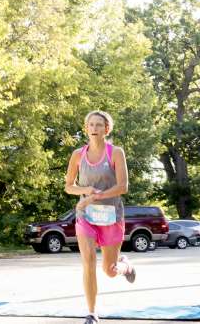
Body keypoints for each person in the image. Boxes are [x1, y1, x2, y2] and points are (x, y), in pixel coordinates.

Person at [65, 111, 135, 324]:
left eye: (99, 125)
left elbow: (123, 186)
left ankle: (126, 266)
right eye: (91, 125)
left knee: (110, 271)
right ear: (86, 128)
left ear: (107, 129)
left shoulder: (116, 153)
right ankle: (92, 313)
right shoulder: (78, 155)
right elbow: (69, 186)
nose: (94, 128)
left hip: (111, 216)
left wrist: (95, 196)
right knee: (88, 261)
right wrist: (85, 191)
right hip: (85, 215)